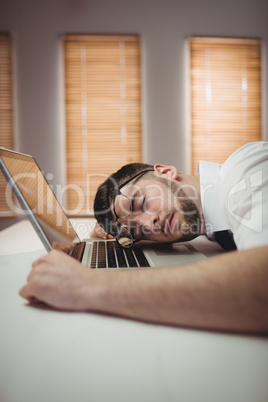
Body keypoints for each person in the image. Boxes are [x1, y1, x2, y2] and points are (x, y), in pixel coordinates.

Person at [20, 142, 268, 333]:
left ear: (165, 171)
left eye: (140, 201)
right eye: (138, 230)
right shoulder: (210, 218)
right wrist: (120, 235)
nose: (150, 224)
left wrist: (86, 285)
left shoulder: (242, 179)